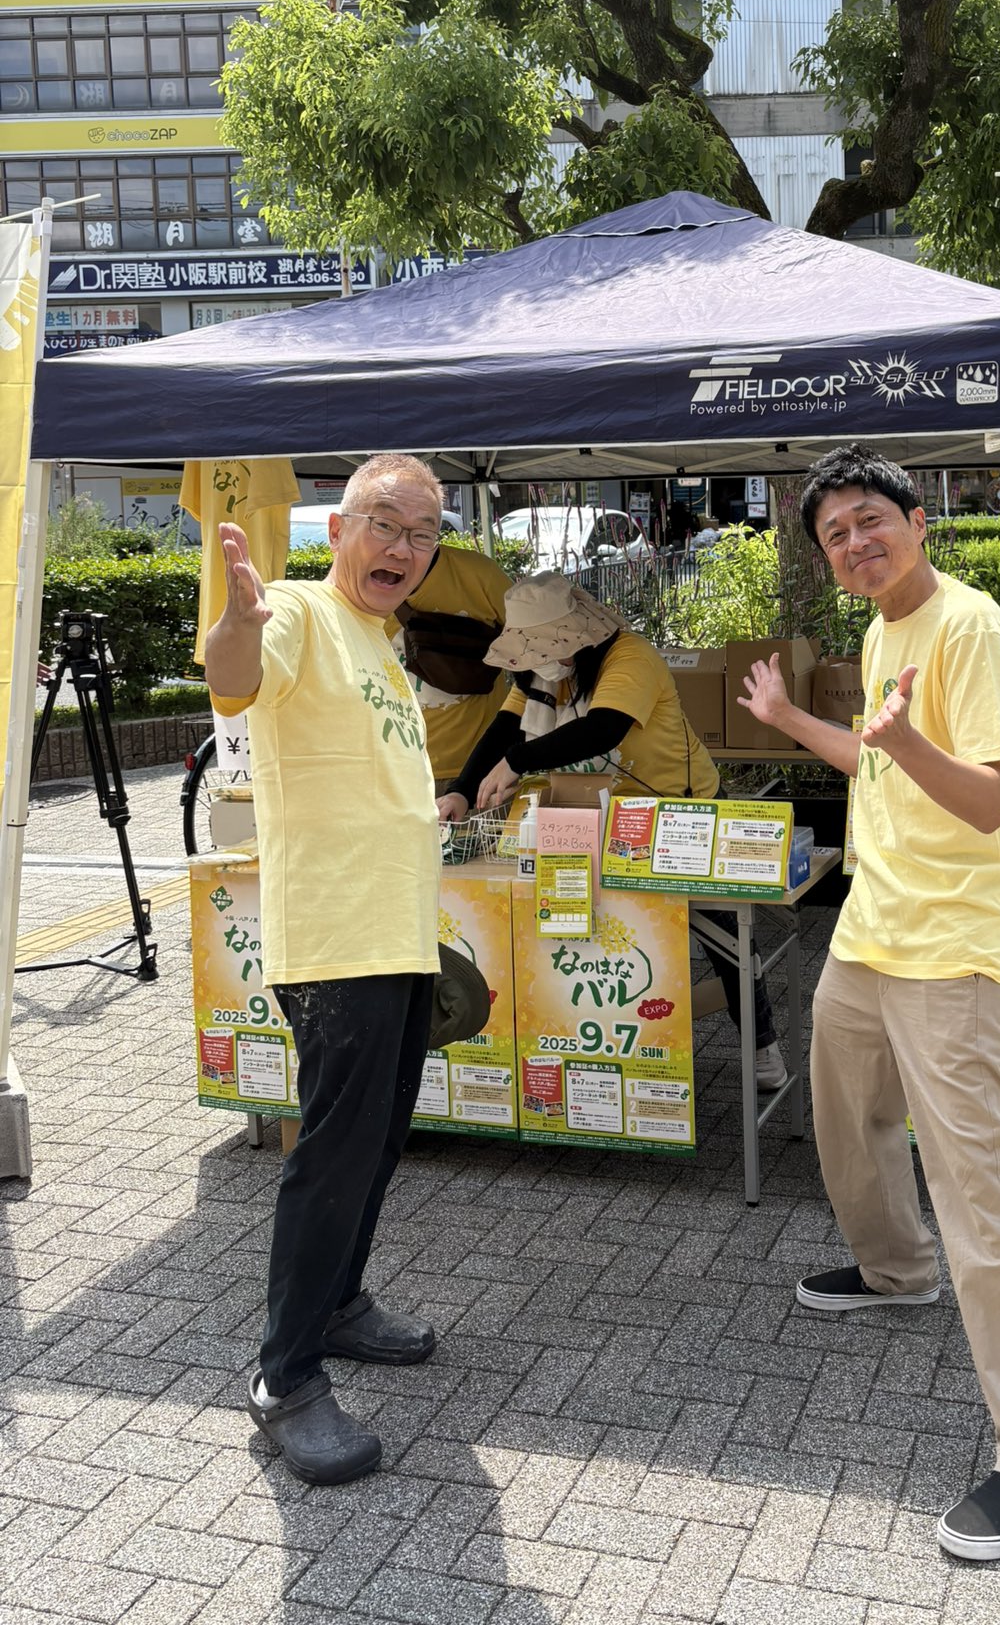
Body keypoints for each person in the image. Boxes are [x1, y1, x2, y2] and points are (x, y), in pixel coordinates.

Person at [736, 444, 1000, 1562]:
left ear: (917, 518)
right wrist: (793, 718)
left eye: (869, 520)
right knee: (845, 1114)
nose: (855, 542)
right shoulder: (886, 629)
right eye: (834, 533)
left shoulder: (967, 627)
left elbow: (988, 801)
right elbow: (877, 764)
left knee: (983, 1190)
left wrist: (907, 740)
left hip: (950, 951)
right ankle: (896, 1269)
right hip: (873, 929)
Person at [205, 452, 445, 1487]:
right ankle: (285, 1378)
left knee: (378, 1143)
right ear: (338, 528)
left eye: (423, 532)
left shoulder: (380, 638)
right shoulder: (299, 610)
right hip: (339, 940)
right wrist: (238, 619)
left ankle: (339, 1304)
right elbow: (233, 676)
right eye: (386, 523)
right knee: (333, 1156)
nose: (404, 547)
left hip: (398, 932)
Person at [437, 572, 787, 1088]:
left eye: (545, 645)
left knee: (724, 935)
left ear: (578, 635)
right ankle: (602, 1041)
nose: (540, 658)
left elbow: (603, 728)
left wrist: (516, 762)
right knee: (592, 930)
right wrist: (462, 791)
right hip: (591, 817)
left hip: (674, 814)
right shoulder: (542, 672)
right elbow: (505, 728)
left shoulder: (630, 656)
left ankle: (761, 1044)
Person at [390, 540, 511, 788]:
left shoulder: (479, 574)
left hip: (483, 767)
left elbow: (533, 643)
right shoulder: (358, 588)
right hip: (398, 770)